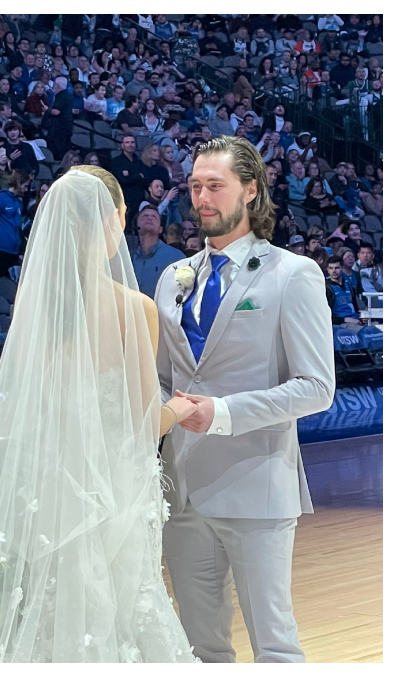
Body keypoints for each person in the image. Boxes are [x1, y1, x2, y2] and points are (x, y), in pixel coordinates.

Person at [0, 165, 205, 663]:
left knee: (55, 608)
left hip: (52, 487)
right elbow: (141, 429)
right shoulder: (134, 309)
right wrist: (179, 408)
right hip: (114, 487)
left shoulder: (36, 308)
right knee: (123, 609)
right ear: (116, 220)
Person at [155, 135, 334, 662]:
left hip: (256, 484)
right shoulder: (172, 278)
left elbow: (317, 387)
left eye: (215, 186)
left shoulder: (293, 273)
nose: (202, 198)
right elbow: (164, 379)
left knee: (274, 646)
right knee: (200, 649)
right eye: (195, 186)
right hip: (181, 490)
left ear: (250, 191)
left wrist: (223, 413)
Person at [130, 205, 185, 296]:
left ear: (161, 229)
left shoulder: (176, 257)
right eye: (145, 216)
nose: (149, 218)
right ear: (136, 225)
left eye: (154, 217)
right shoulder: (126, 256)